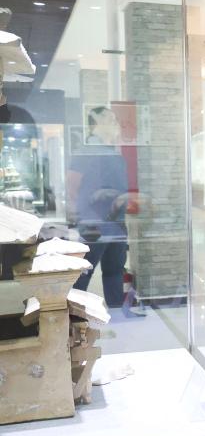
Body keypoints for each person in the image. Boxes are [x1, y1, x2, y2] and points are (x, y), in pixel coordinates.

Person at [68, 106, 130, 309]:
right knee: (85, 271)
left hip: (116, 222)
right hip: (94, 222)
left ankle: (116, 311)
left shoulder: (113, 153)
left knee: (115, 269)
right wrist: (85, 216)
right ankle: (74, 315)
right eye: (111, 119)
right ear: (97, 122)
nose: (116, 124)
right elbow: (72, 186)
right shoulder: (86, 151)